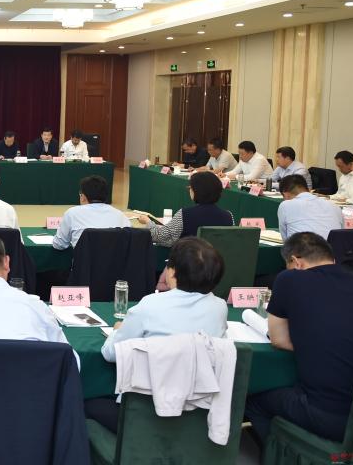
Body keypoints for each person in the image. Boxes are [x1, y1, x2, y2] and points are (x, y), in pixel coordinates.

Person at [86, 237, 228, 433]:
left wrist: (118, 330)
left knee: (85, 400)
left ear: (172, 272)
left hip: (142, 416)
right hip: (196, 415)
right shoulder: (219, 307)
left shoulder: (151, 304)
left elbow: (111, 353)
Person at [245, 232, 353, 443]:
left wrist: (317, 344)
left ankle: (282, 453)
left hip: (329, 416)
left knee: (252, 399)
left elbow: (278, 340)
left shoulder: (290, 279)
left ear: (296, 262)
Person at [137, 171, 234, 247]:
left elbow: (158, 236)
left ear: (197, 191)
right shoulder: (228, 216)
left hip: (189, 262)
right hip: (217, 263)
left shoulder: (184, 214)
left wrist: (148, 221)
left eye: (190, 188)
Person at [53, 175, 131, 250]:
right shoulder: (121, 216)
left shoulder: (72, 213)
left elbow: (59, 245)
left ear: (83, 197)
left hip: (84, 259)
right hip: (116, 259)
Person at [277, 174, 344, 240]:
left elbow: (285, 240)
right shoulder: (335, 206)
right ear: (308, 189)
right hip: (333, 247)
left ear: (286, 194)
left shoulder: (285, 205)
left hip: (302, 246)